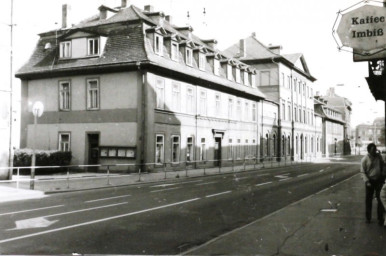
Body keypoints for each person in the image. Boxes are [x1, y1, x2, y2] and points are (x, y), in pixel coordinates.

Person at [360, 143, 385, 225]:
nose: (374, 151)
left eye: (375, 149)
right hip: (370, 181)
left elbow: (383, 165)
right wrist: (367, 181)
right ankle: (368, 218)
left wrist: (383, 173)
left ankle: (380, 218)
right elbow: (362, 172)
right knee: (368, 200)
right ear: (369, 151)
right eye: (373, 150)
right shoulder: (364, 159)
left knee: (380, 199)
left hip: (378, 181)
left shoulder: (378, 157)